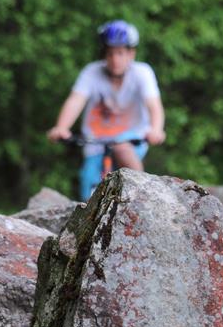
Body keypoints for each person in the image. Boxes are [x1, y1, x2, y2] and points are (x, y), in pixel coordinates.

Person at [46, 20, 166, 200]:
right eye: (110, 53)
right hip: (96, 140)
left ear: (131, 54)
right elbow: (75, 101)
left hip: (132, 137)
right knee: (88, 179)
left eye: (120, 53)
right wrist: (61, 127)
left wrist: (156, 129)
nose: (115, 59)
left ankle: (144, 198)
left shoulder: (142, 73)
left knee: (121, 149)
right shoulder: (91, 72)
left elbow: (154, 106)